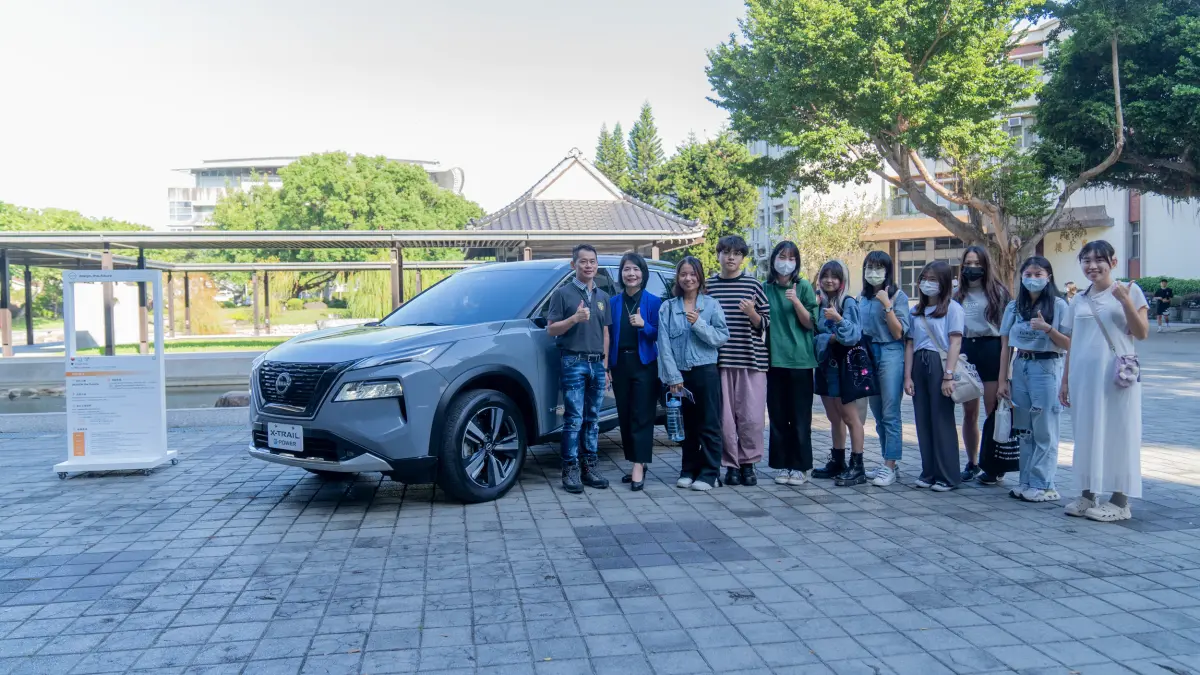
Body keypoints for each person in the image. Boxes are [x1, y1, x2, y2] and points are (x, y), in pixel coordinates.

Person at [1061, 240, 1149, 522]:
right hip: (1083, 380)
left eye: (1099, 259)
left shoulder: (1131, 291)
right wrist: (1065, 380)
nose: (1092, 265)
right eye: (1086, 260)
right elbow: (1072, 343)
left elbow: (1141, 332)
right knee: (1085, 432)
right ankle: (1088, 495)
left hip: (1117, 379)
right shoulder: (1078, 299)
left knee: (1119, 433)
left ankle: (1120, 500)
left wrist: (1124, 301)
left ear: (1113, 262)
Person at [997, 257, 1072, 502]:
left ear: (1049, 276)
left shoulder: (1059, 305)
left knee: (1045, 428)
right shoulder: (1013, 307)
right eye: (1028, 274)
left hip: (1047, 367)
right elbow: (1005, 345)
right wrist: (1002, 381)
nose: (1033, 278)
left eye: (1039, 274)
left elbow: (1070, 344)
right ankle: (1026, 481)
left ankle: (1044, 484)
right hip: (1021, 367)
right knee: (1024, 429)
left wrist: (1047, 328)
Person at [658, 256, 730, 491]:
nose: (688, 278)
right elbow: (663, 345)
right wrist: (673, 377)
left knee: (709, 424)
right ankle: (688, 469)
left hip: (706, 372)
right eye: (683, 274)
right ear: (678, 278)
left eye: (693, 274)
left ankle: (709, 473)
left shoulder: (711, 305)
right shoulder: (668, 307)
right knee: (686, 424)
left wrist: (699, 323)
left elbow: (721, 338)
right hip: (680, 376)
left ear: (699, 277)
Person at [546, 243, 612, 494]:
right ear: (573, 265)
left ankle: (590, 466)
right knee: (574, 418)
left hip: (597, 363)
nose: (588, 266)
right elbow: (551, 329)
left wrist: (606, 366)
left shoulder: (603, 297)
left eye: (592, 261)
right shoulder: (562, 294)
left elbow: (606, 333)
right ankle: (570, 469)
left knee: (593, 418)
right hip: (573, 361)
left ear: (597, 265)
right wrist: (573, 319)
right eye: (583, 261)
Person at [708, 235, 771, 487]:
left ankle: (749, 464)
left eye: (736, 253)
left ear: (743, 258)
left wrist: (752, 313)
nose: (731, 257)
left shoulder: (753, 285)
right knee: (725, 419)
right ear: (719, 255)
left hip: (752, 361)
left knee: (752, 418)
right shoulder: (709, 286)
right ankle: (731, 465)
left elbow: (767, 323)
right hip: (721, 362)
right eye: (726, 252)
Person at [763, 241, 820, 485]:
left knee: (799, 417)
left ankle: (800, 466)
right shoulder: (765, 288)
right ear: (773, 258)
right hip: (773, 361)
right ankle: (782, 465)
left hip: (800, 362)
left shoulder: (803, 286)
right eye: (781, 256)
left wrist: (796, 301)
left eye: (791, 257)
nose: (785, 261)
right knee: (777, 416)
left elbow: (810, 323)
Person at [905, 261, 965, 492]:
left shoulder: (953, 309)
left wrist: (948, 375)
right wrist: (907, 376)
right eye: (924, 279)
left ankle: (948, 475)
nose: (927, 284)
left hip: (940, 365)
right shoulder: (915, 311)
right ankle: (928, 471)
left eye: (933, 279)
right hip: (919, 364)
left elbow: (955, 342)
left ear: (944, 283)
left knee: (941, 420)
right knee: (922, 420)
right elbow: (909, 344)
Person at [954, 246, 1011, 484]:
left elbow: (1007, 332)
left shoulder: (998, 292)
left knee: (992, 410)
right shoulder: (957, 294)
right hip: (966, 349)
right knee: (969, 412)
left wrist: (1004, 375)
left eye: (977, 263)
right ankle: (973, 462)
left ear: (986, 265)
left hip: (991, 349)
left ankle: (993, 464)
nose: (972, 267)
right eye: (968, 262)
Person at [812, 261, 869, 486]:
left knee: (850, 418)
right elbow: (815, 336)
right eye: (825, 276)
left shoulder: (847, 302)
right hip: (826, 366)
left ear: (842, 280)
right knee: (833, 417)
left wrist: (838, 320)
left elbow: (853, 335)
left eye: (834, 276)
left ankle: (858, 466)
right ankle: (838, 460)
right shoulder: (820, 304)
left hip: (845, 367)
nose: (829, 280)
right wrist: (829, 338)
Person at [609, 252, 662, 492]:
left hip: (645, 365)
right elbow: (607, 336)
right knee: (626, 416)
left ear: (643, 274)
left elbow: (660, 335)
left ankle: (639, 466)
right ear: (621, 274)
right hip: (620, 364)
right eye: (627, 269)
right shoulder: (613, 302)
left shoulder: (653, 301)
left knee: (642, 415)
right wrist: (607, 366)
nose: (631, 274)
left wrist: (645, 326)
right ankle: (636, 459)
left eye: (636, 269)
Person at [857, 251, 910, 486]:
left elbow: (899, 333)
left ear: (889, 270)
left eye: (879, 267)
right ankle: (888, 462)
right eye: (870, 267)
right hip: (869, 355)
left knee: (890, 414)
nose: (873, 272)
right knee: (878, 415)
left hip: (890, 352)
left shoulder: (899, 296)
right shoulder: (862, 297)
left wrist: (887, 304)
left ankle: (890, 464)